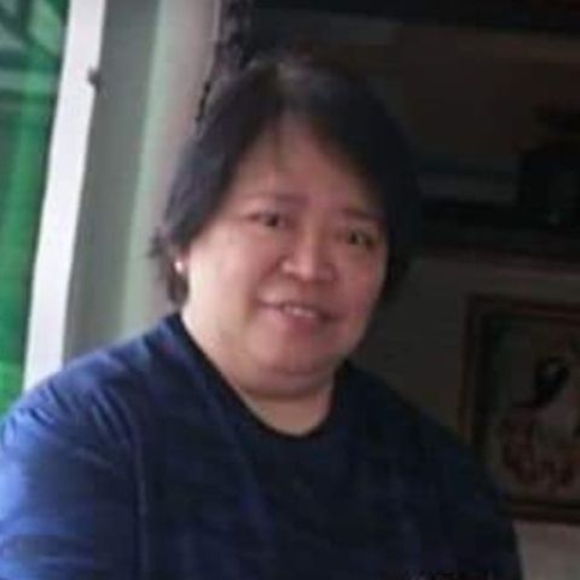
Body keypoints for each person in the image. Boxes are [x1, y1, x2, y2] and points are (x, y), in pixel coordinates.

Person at [0, 54, 521, 579]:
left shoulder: (446, 485)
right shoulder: (83, 435)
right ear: (184, 238)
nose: (311, 266)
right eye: (273, 220)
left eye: (355, 237)